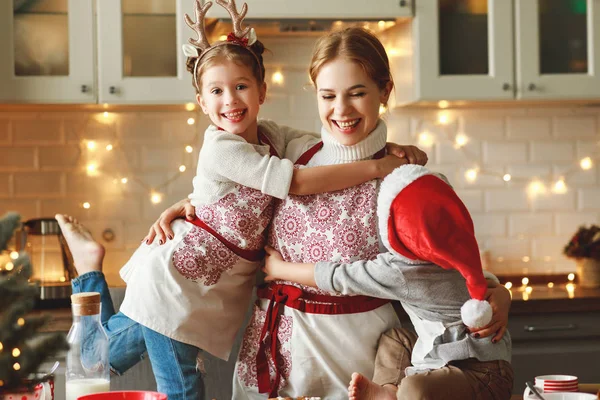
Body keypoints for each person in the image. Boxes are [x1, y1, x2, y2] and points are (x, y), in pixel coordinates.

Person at [59, 2, 420, 398]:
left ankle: (90, 266)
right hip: (175, 282)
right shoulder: (220, 148)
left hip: (209, 291)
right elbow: (297, 181)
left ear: (262, 91)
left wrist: (384, 147)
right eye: (216, 91)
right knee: (181, 390)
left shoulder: (272, 136)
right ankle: (89, 267)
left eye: (241, 87)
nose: (230, 100)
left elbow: (328, 146)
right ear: (201, 102)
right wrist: (377, 167)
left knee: (105, 356)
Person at [149, 27, 511, 399]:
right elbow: (231, 187)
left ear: (384, 91)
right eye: (328, 95)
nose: (342, 110)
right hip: (277, 352)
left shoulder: (406, 180)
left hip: (362, 361)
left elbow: (440, 268)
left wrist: (499, 293)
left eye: (357, 93)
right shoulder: (289, 150)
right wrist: (186, 204)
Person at [262, 164, 514, 400]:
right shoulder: (456, 251)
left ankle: (398, 392)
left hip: (482, 374)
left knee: (415, 388)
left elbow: (339, 277)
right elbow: (487, 282)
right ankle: (388, 390)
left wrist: (280, 268)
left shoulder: (402, 270)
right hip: (452, 354)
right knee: (396, 338)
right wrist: (504, 295)